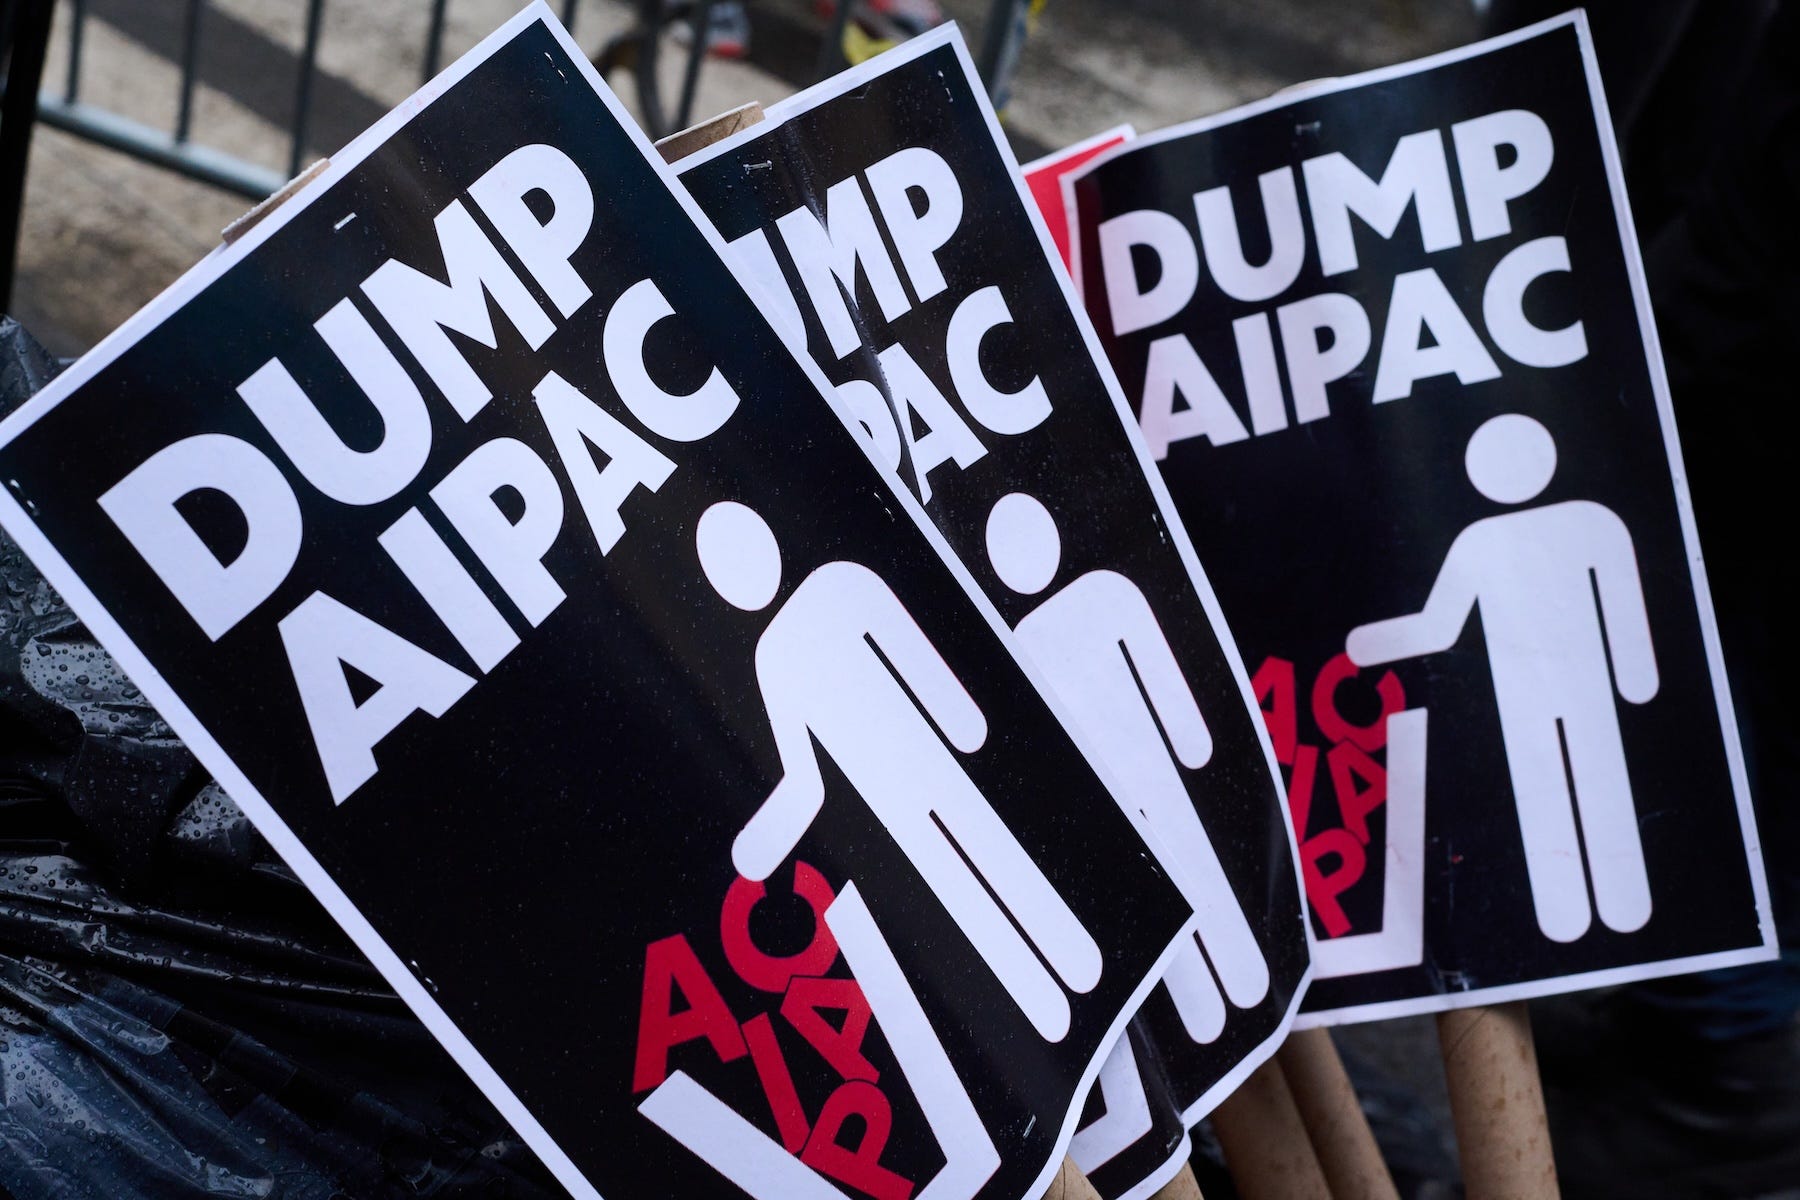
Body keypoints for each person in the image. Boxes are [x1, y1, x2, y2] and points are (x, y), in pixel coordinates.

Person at [696, 499, 1101, 1042]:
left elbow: (915, 662)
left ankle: (1078, 971)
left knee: (1000, 861)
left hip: (930, 766)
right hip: (897, 806)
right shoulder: (775, 652)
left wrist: (962, 725)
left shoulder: (838, 586)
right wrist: (756, 848)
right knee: (970, 897)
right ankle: (1055, 1006)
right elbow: (806, 781)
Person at [1346, 414, 1659, 943]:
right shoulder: (1513, 535)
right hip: (1528, 691)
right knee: (1559, 790)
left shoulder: (1573, 526)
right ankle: (1584, 911)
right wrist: (1368, 643)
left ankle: (1610, 906)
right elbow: (1441, 625)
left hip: (1561, 687)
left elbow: (1621, 601)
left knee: (1586, 784)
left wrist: (1635, 676)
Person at [984, 491, 1268, 1044]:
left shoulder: (1030, 636)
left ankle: (1212, 1008)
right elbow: (1170, 695)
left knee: (1167, 890)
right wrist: (1189, 744)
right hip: (1149, 774)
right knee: (1194, 868)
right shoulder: (1102, 592)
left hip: (1116, 800)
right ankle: (1237, 985)